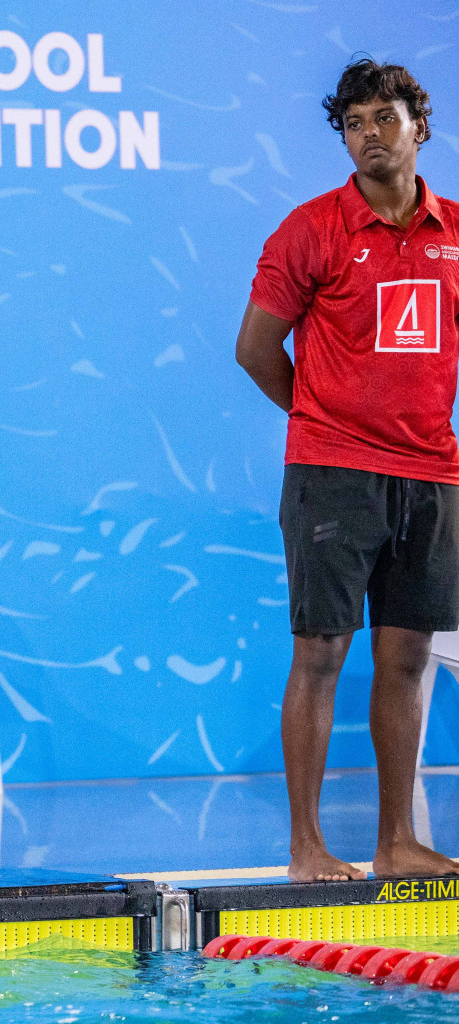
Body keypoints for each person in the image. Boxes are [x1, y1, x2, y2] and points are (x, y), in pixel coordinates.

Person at [237, 58, 459, 882]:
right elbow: (256, 348)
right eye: (355, 123)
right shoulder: (313, 228)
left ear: (419, 126)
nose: (369, 134)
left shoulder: (456, 233)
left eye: (384, 118)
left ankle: (397, 842)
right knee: (321, 655)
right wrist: (323, 419)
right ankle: (306, 847)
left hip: (433, 475)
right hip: (333, 472)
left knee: (405, 658)